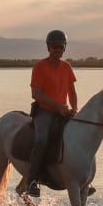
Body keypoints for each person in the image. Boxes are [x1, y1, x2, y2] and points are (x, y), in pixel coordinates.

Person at [26, 29, 78, 197]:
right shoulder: (40, 67)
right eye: (54, 47)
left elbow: (72, 91)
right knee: (41, 140)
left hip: (63, 111)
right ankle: (32, 181)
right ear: (48, 47)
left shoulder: (67, 67)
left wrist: (74, 109)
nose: (57, 50)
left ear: (65, 48)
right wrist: (58, 106)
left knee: (79, 137)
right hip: (44, 112)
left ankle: (82, 178)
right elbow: (37, 94)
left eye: (60, 47)